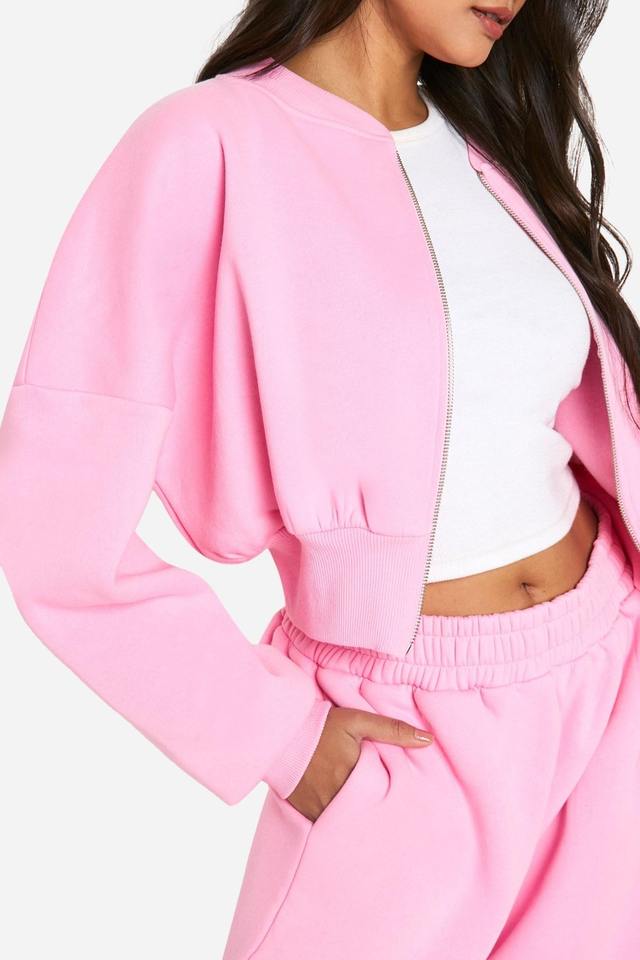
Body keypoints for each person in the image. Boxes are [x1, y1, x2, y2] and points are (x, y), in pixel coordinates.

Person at [1, 0, 639, 957]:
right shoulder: (206, 145)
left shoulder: (485, 140)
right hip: (404, 735)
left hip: (610, 675)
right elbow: (52, 523)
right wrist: (277, 735)